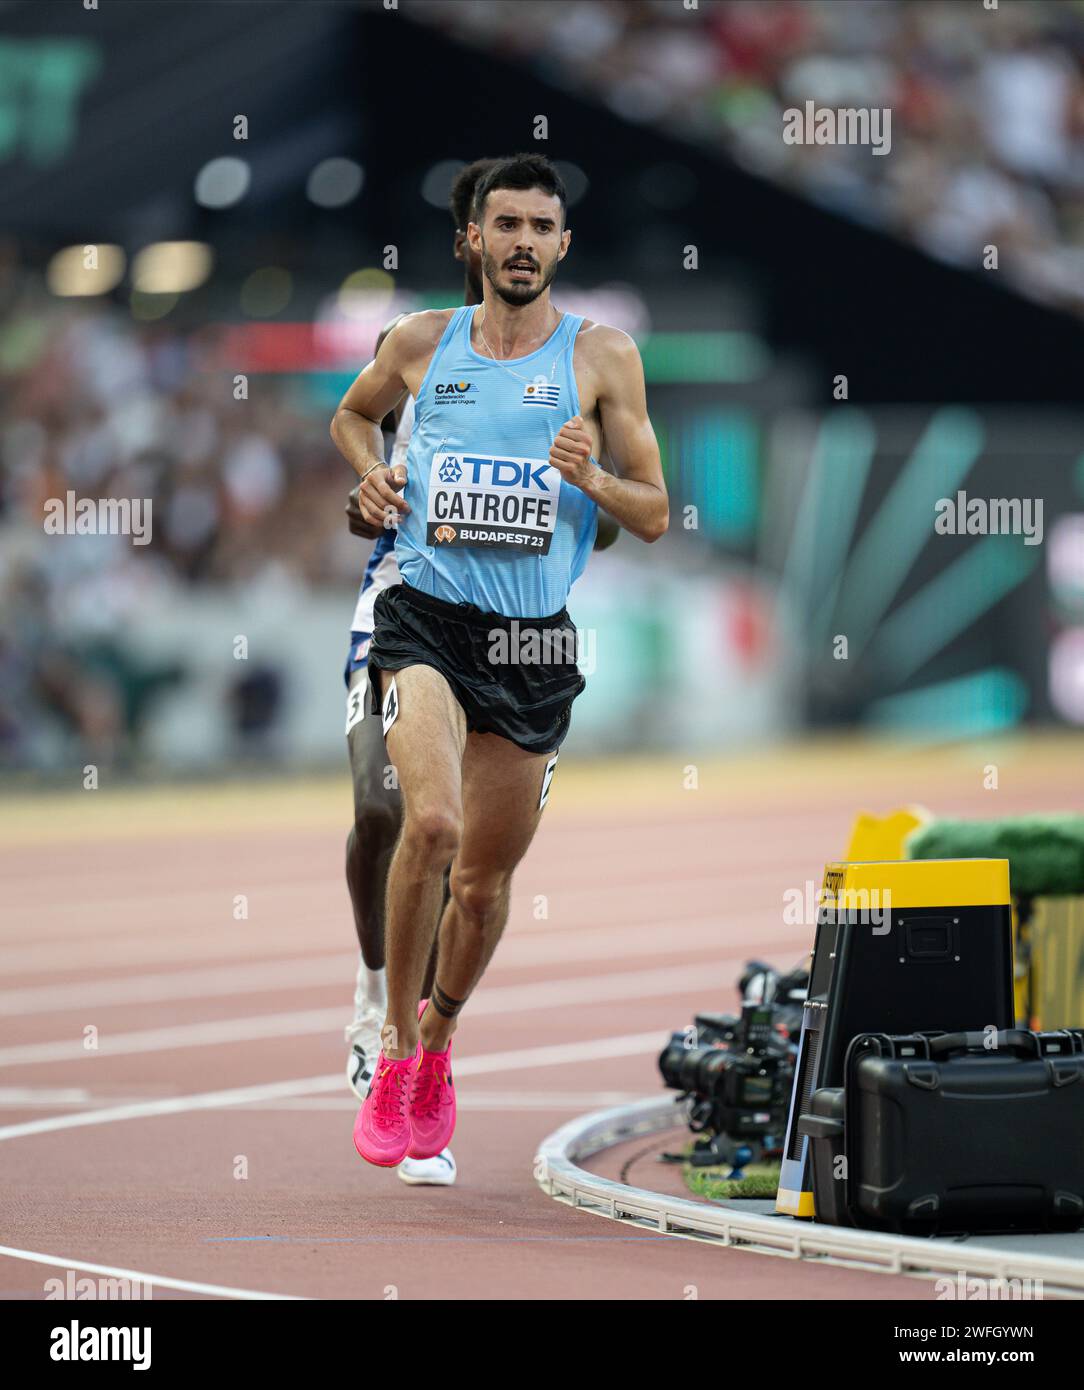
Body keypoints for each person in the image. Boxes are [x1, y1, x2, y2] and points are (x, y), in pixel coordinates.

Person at [330, 152, 667, 1169]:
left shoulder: (604, 357)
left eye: (541, 227)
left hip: (531, 642)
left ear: (563, 245)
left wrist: (593, 478)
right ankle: (389, 1046)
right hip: (424, 614)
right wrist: (372, 479)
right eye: (505, 224)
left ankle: (435, 1040)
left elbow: (653, 513)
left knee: (479, 886)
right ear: (472, 239)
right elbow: (351, 414)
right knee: (420, 820)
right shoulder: (420, 342)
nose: (523, 242)